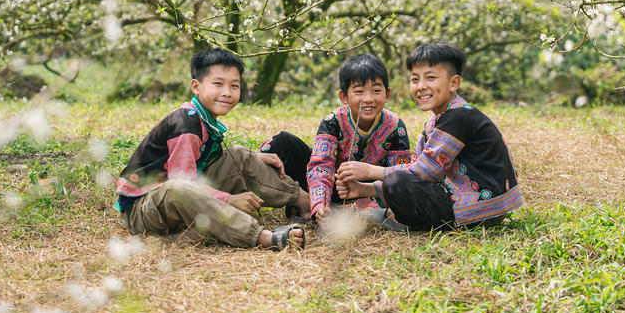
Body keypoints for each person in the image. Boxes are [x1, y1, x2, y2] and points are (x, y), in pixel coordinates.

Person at [115, 48, 308, 249]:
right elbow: (183, 184)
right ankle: (263, 238)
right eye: (218, 84)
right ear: (196, 87)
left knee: (240, 155)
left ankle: (303, 201)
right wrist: (230, 200)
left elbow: (208, 161)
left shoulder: (203, 119)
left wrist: (255, 156)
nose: (227, 92)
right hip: (144, 209)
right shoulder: (186, 125)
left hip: (174, 198)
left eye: (234, 86)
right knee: (178, 188)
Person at [335, 42, 523, 230]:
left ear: (453, 83)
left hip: (480, 211)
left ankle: (396, 218)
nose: (421, 86)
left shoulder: (459, 116)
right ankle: (391, 215)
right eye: (415, 79)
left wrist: (369, 171)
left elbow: (425, 173)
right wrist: (363, 189)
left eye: (430, 78)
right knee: (399, 180)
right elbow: (414, 168)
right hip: (473, 205)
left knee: (397, 181)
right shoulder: (436, 122)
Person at [259, 53, 411, 223]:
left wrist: (366, 202)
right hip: (330, 186)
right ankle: (310, 203)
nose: (368, 99)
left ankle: (361, 211)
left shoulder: (395, 126)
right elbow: (321, 164)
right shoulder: (333, 122)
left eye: (376, 90)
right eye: (359, 91)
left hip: (368, 190)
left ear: (387, 94)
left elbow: (399, 174)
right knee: (282, 142)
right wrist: (320, 205)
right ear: (343, 97)